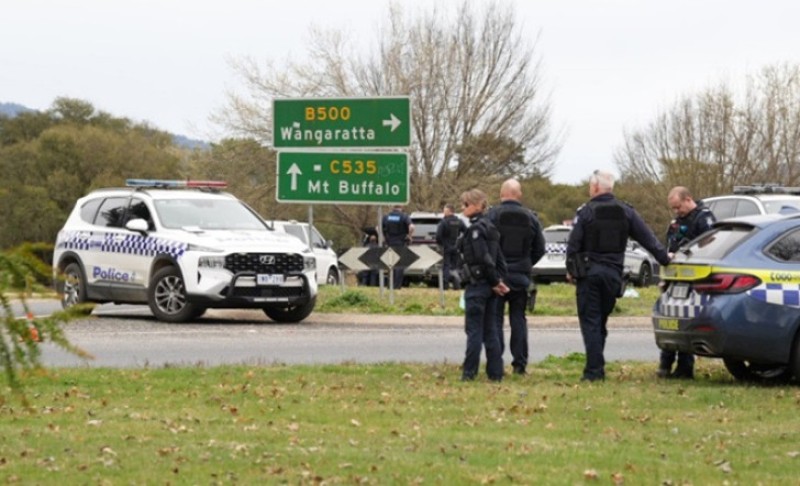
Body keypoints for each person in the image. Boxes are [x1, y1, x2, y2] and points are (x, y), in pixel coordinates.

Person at [566, 170, 670, 382]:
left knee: (591, 322)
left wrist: (571, 270)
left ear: (595, 188)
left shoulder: (586, 212)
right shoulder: (626, 212)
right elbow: (648, 239)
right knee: (600, 321)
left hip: (590, 275)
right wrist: (666, 259)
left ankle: (594, 372)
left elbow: (573, 244)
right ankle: (597, 366)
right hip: (613, 276)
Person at [488, 179, 546, 375]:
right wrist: (526, 263)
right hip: (521, 276)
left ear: (501, 193)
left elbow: (486, 246)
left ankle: (496, 363)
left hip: (498, 278)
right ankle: (519, 364)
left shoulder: (492, 215)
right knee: (518, 319)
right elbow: (540, 248)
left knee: (495, 320)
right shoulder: (531, 218)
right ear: (519, 194)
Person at [657, 186, 716, 379]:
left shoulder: (704, 218)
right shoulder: (677, 222)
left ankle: (684, 368)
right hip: (674, 278)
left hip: (692, 278)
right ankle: (665, 365)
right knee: (669, 321)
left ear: (688, 199)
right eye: (673, 208)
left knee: (685, 322)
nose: (676, 211)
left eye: (678, 207)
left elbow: (710, 246)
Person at [457, 189, 510, 382]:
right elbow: (500, 259)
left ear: (478, 205)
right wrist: (499, 280)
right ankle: (496, 374)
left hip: (479, 285)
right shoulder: (492, 227)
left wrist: (495, 281)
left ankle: (469, 373)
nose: (463, 208)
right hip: (491, 287)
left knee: (474, 331)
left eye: (466, 204)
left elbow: (484, 258)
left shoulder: (476, 230)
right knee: (491, 331)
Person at [381, 205, 415, 288]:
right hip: (400, 243)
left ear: (393, 207)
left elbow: (378, 228)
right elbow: (411, 227)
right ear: (401, 207)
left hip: (389, 243)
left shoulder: (386, 217)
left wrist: (383, 237)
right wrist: (409, 236)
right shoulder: (404, 216)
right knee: (399, 264)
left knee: (390, 263)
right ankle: (397, 285)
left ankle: (390, 285)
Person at [436, 203, 467, 290]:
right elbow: (467, 232)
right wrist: (460, 243)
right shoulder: (459, 221)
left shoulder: (443, 222)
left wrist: (442, 244)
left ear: (449, 211)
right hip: (456, 247)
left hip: (446, 247)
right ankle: (456, 284)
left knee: (446, 266)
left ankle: (445, 285)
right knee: (455, 267)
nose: (443, 213)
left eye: (444, 211)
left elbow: (438, 236)